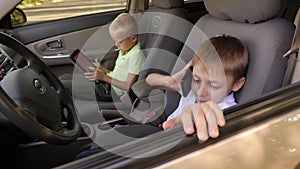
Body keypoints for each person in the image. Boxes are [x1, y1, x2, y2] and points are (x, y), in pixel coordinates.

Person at [146, 35, 249, 141]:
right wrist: (171, 81)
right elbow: (149, 80)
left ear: (236, 84)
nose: (200, 92)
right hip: (162, 134)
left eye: (214, 85)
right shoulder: (192, 90)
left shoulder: (227, 112)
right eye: (197, 80)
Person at [60, 13, 145, 101]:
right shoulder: (125, 50)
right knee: (64, 77)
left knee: (63, 84)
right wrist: (102, 70)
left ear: (133, 39)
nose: (116, 45)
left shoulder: (136, 56)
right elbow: (117, 75)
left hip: (111, 91)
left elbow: (128, 86)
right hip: (107, 83)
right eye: (114, 41)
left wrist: (104, 77)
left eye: (119, 42)